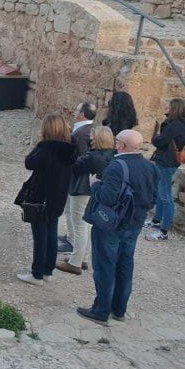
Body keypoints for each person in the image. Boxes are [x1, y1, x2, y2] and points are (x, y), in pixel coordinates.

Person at [77, 129, 159, 325]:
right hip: (135, 223)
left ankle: (101, 310)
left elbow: (106, 197)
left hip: (112, 225)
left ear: (121, 145)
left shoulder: (116, 166)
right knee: (125, 264)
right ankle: (119, 309)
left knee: (105, 265)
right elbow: (153, 199)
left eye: (117, 141)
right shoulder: (151, 166)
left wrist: (95, 184)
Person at [16, 115, 77, 286]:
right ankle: (47, 271)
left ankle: (37, 274)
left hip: (41, 198)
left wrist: (39, 145)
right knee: (51, 234)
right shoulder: (71, 149)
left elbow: (29, 162)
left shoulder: (47, 149)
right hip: (58, 197)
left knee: (40, 236)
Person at [56, 126, 115, 275]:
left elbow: (73, 165)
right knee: (85, 226)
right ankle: (83, 258)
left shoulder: (94, 157)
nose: (90, 138)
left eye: (93, 135)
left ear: (98, 138)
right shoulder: (109, 154)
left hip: (81, 191)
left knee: (80, 227)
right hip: (90, 192)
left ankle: (75, 262)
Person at [145, 98, 185, 241]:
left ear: (174, 108)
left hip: (166, 162)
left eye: (168, 105)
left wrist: (155, 136)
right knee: (162, 193)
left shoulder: (173, 124)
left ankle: (164, 231)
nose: (165, 107)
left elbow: (159, 141)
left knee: (166, 196)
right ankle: (156, 221)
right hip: (172, 161)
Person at [57, 102, 98, 254]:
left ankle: (73, 241)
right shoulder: (88, 129)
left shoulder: (81, 133)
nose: (74, 111)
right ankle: (70, 236)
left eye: (77, 110)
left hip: (77, 179)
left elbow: (79, 157)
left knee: (73, 211)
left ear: (82, 114)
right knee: (70, 209)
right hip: (78, 177)